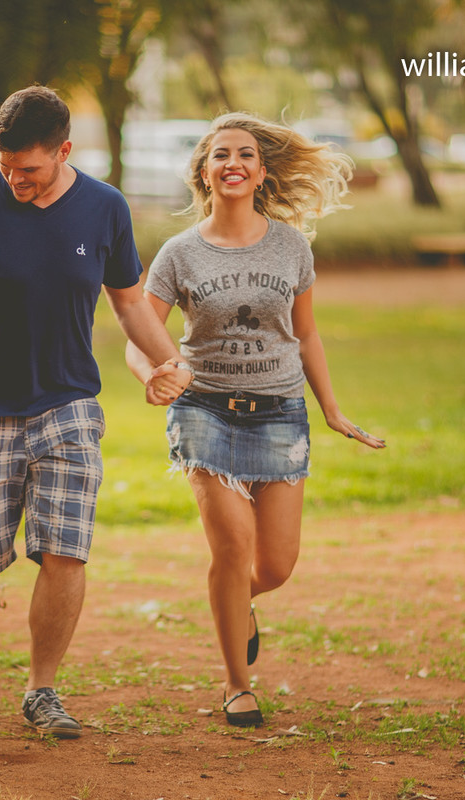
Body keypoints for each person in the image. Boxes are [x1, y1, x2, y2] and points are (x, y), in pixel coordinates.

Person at [0, 85, 192, 739]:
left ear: (64, 151)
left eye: (28, 169)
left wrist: (166, 361)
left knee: (65, 549)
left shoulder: (104, 208)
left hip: (68, 403)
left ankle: (42, 690)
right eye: (5, 166)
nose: (14, 181)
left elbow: (127, 304)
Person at [127, 112, 386, 727]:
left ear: (261, 171)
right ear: (205, 172)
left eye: (244, 154)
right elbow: (141, 335)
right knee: (232, 544)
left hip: (279, 411)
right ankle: (237, 685)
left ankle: (235, 601)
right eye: (220, 155)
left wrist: (331, 409)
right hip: (204, 410)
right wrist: (154, 375)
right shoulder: (178, 253)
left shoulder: (291, 245)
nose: (233, 163)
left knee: (273, 566)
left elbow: (308, 333)